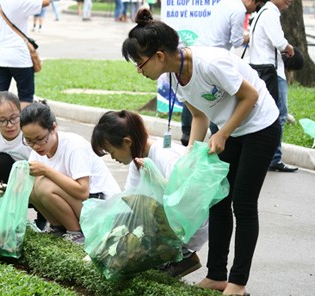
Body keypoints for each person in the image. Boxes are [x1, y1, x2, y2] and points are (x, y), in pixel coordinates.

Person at [122, 9, 281, 295]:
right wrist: (191, 156)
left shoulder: (208, 63)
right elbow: (199, 117)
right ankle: (217, 275)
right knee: (217, 201)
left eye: (139, 62)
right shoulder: (174, 76)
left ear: (159, 56)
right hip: (232, 129)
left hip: (260, 126)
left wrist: (223, 134)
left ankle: (238, 283)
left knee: (243, 205)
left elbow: (251, 96)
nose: (139, 70)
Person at [91, 110, 209, 278]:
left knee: (141, 220)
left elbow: (185, 194)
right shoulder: (137, 161)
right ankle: (169, 257)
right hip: (169, 219)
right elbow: (129, 201)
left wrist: (156, 179)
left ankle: (184, 256)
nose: (113, 157)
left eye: (112, 152)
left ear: (127, 142)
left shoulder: (163, 154)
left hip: (189, 222)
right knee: (129, 221)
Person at [20, 101, 121, 244]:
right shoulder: (38, 150)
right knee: (32, 186)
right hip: (82, 206)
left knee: (43, 185)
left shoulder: (74, 146)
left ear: (53, 128)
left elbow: (82, 192)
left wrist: (46, 170)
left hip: (101, 208)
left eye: (40, 139)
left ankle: (77, 234)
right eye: (29, 141)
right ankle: (58, 229)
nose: (36, 146)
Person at [181, 0, 266, 146]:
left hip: (198, 52)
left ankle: (187, 134)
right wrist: (253, 35)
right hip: (213, 59)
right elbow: (237, 41)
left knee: (193, 95)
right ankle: (217, 135)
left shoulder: (225, 2)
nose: (253, 11)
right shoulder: (239, 11)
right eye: (256, 7)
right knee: (217, 100)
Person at [0, 0, 50, 140]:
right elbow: (46, 3)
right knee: (25, 95)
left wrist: (0, 43)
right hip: (19, 57)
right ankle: (22, 131)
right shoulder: (19, 2)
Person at [0, 91, 46, 229]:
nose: (9, 125)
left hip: (36, 180)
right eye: (2, 121)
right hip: (9, 186)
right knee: (0, 160)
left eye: (14, 118)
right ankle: (6, 216)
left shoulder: (31, 131)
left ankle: (45, 218)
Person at [249, 0, 297, 172]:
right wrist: (290, 48)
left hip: (260, 69)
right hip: (272, 71)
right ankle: (273, 158)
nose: (289, 1)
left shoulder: (262, 12)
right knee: (279, 114)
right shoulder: (270, 13)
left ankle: (265, 156)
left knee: (264, 113)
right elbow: (279, 42)